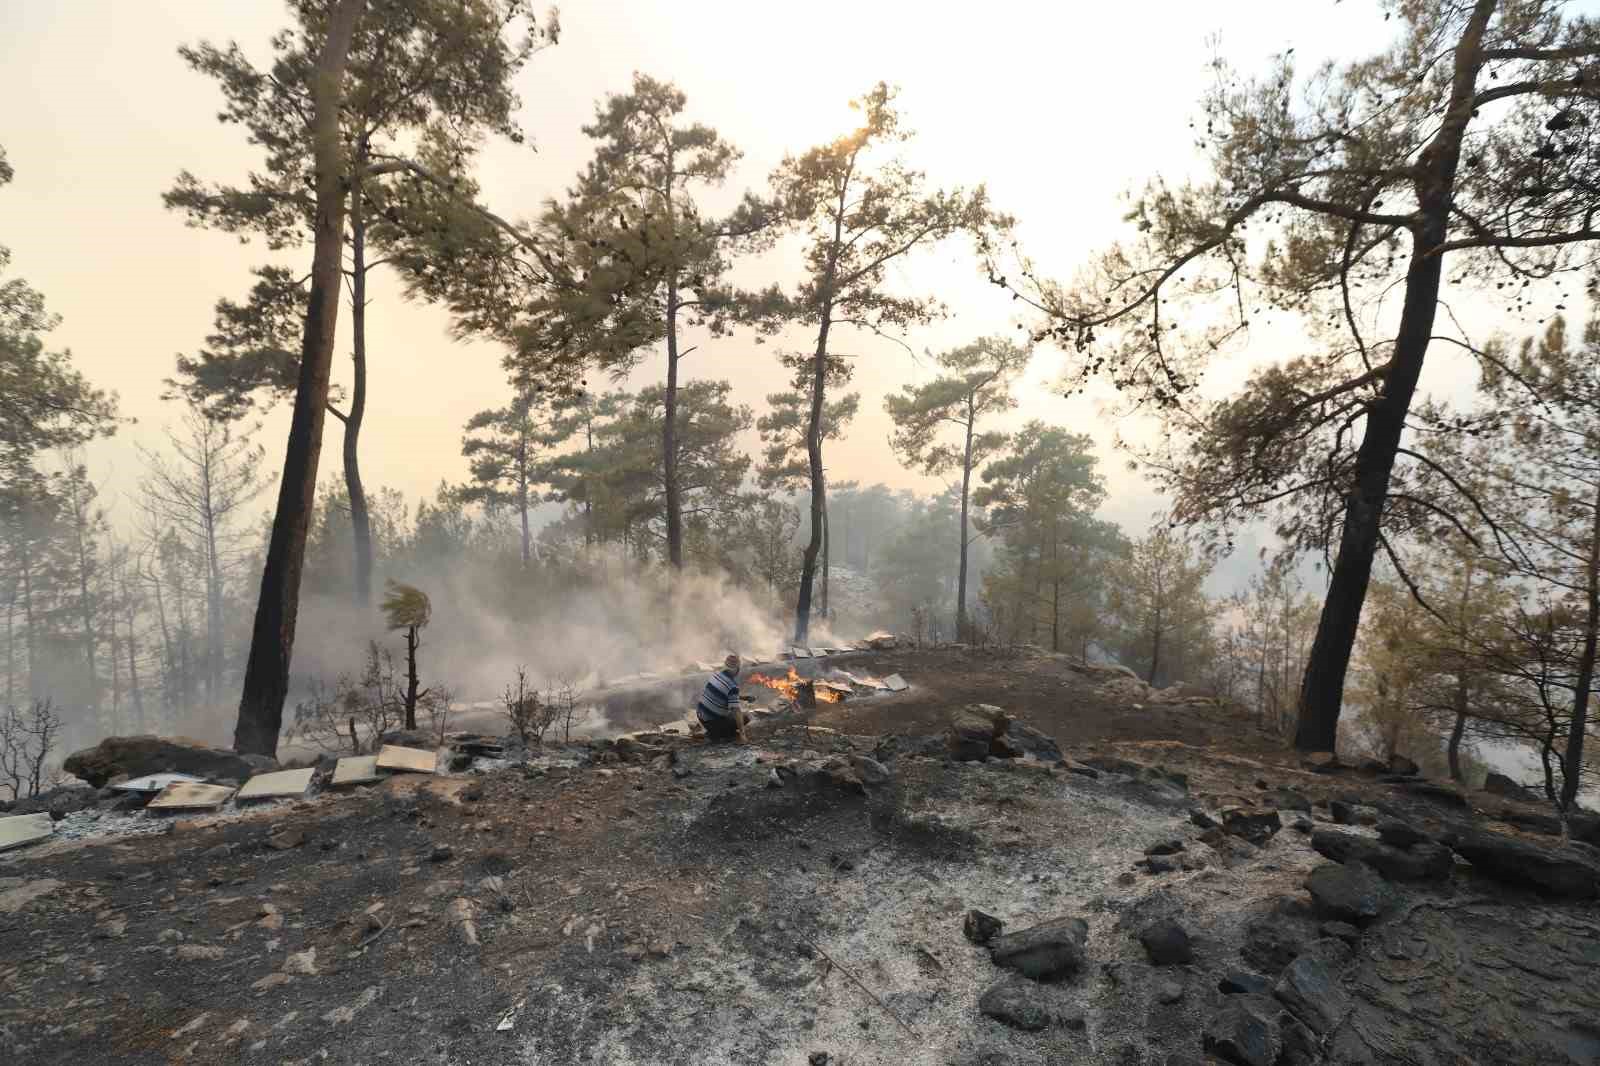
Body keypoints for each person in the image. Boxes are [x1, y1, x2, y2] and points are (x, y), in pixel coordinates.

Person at [696, 653, 748, 742]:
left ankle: (714, 731)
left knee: (730, 715)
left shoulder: (716, 675)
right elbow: (736, 711)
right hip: (712, 722)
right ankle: (719, 734)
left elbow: (722, 693)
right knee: (746, 717)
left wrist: (742, 698)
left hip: (701, 716)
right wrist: (742, 734)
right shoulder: (732, 686)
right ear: (737, 669)